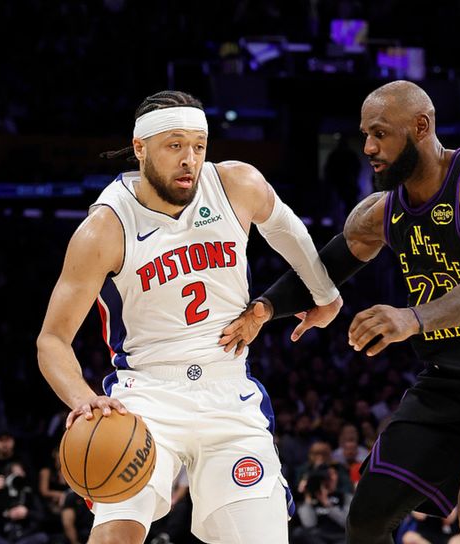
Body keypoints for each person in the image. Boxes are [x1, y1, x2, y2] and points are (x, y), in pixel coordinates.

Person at [220, 80, 460, 544]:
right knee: (366, 518)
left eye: (380, 134)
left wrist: (412, 318)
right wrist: (265, 308)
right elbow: (324, 269)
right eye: (365, 135)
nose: (368, 148)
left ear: (421, 127)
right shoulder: (380, 212)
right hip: (449, 380)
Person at [36, 90, 342, 544]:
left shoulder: (236, 184)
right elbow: (52, 341)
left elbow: (284, 226)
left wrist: (324, 293)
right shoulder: (105, 227)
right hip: (146, 398)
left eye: (199, 145)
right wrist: (83, 399)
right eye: (175, 145)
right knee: (116, 535)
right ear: (140, 148)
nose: (190, 159)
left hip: (228, 394)